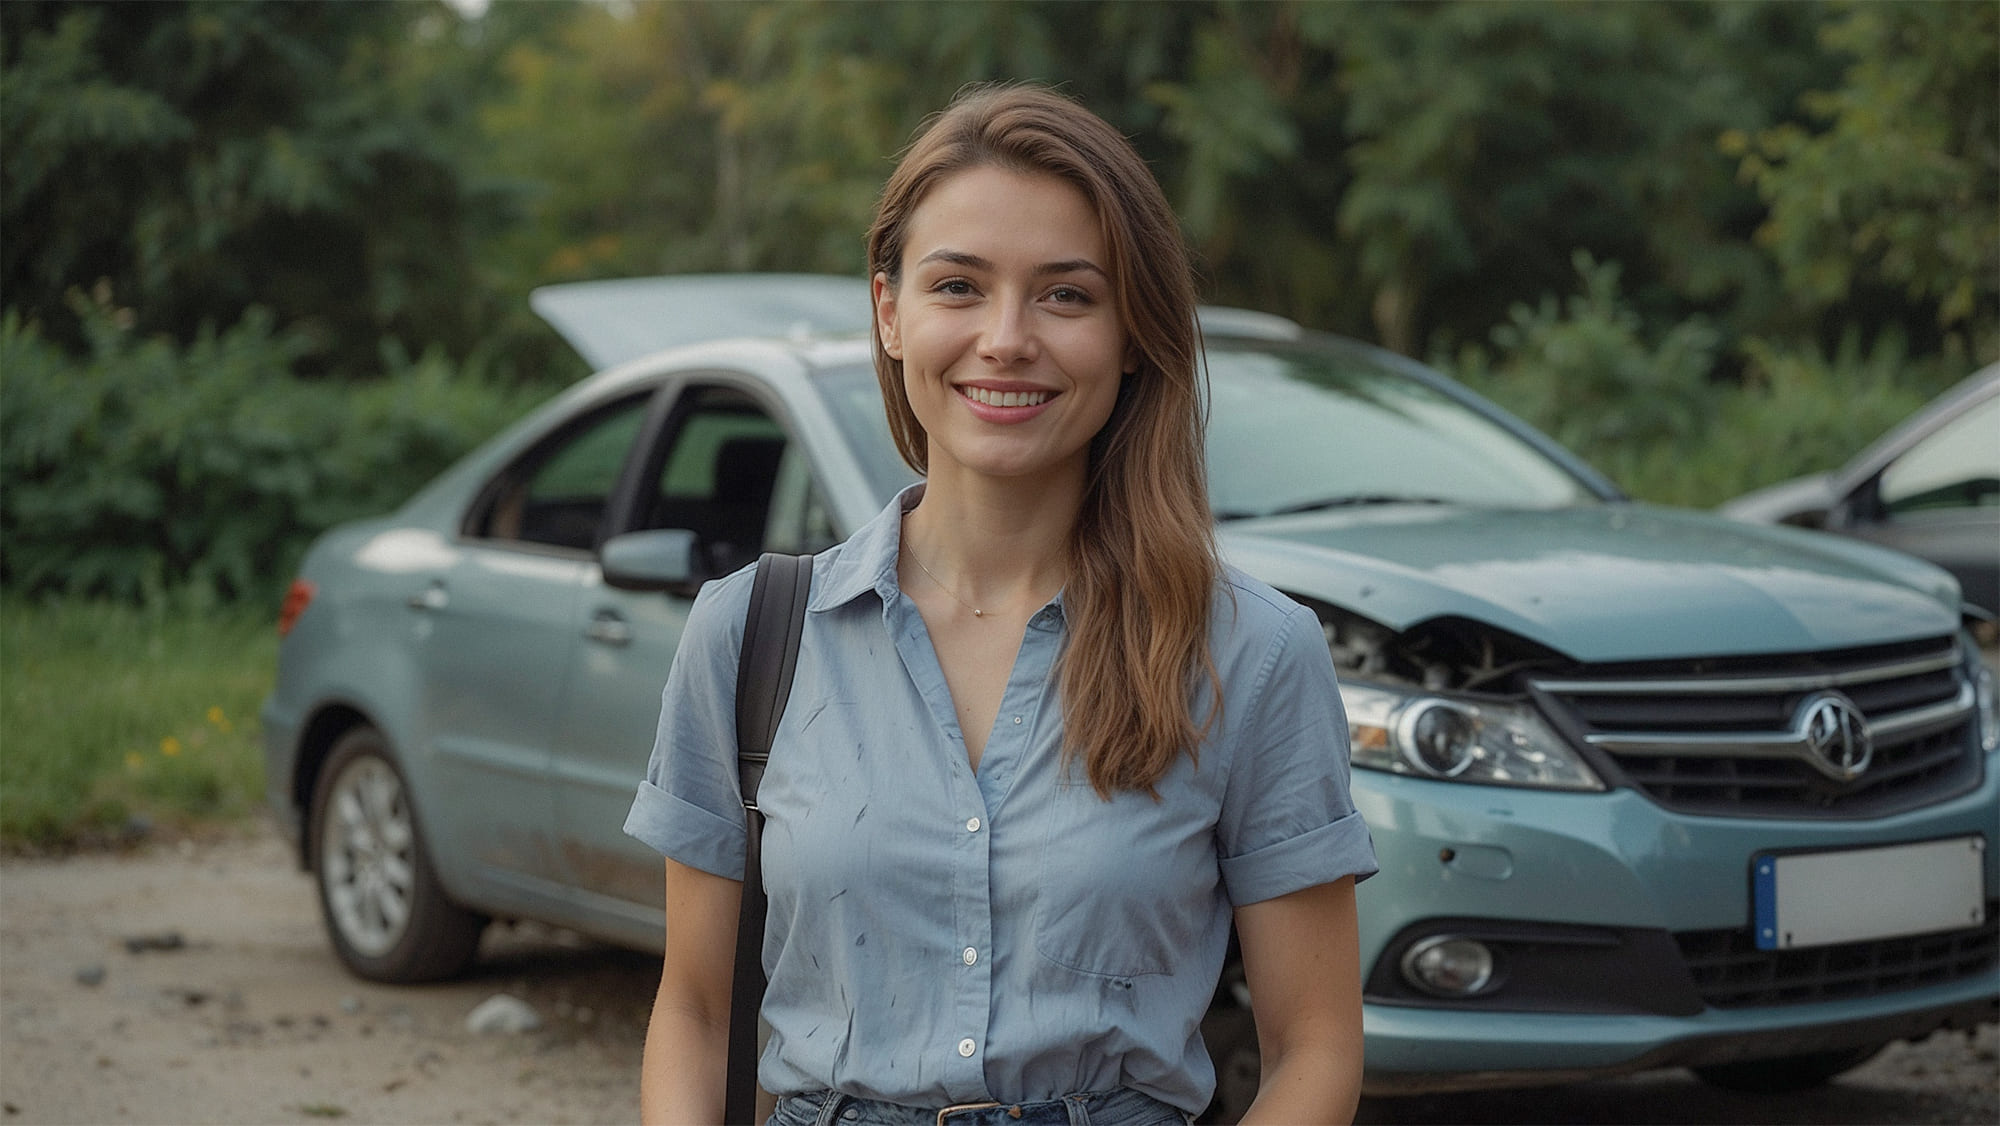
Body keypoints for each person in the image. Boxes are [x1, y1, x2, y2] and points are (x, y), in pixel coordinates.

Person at [624, 83, 1376, 1126]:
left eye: (1066, 295)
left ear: (1130, 332)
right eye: (958, 287)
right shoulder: (749, 635)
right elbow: (696, 1010)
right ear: (890, 312)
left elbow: (1314, 1047)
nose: (1006, 338)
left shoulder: (1249, 651)